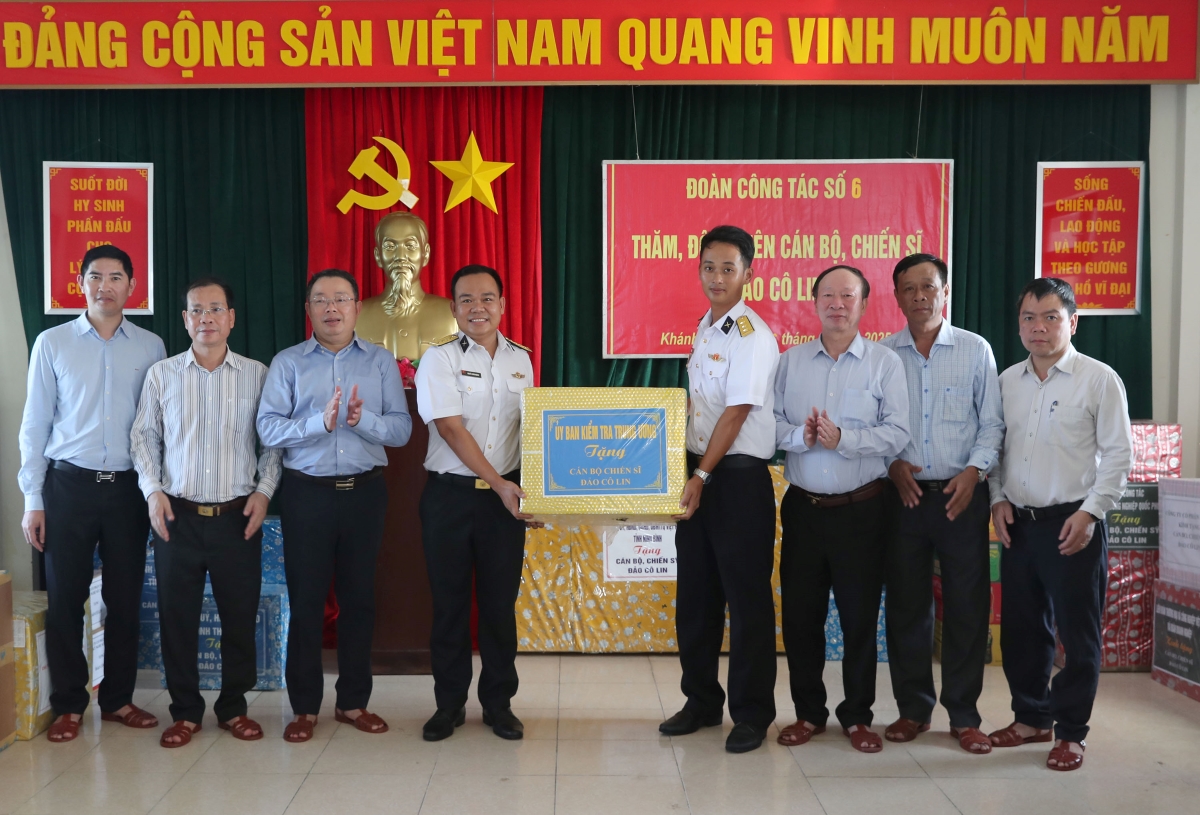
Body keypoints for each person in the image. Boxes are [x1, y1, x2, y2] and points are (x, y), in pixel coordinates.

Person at [257, 268, 412, 743]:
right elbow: (267, 428)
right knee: (306, 602)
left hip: (365, 494)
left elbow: (401, 430)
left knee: (359, 600)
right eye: (321, 300)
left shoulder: (380, 361)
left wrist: (363, 422)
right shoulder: (287, 363)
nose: (331, 308)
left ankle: (352, 702)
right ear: (308, 310)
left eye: (341, 299)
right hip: (307, 494)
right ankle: (304, 707)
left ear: (357, 307)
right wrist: (318, 424)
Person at [18, 244, 165, 743]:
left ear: (132, 286)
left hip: (127, 490)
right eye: (96, 276)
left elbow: (157, 427)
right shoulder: (52, 343)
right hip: (67, 487)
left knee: (125, 599)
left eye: (116, 277)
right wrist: (33, 499)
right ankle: (68, 705)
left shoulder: (151, 347)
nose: (106, 286)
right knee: (65, 600)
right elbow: (34, 425)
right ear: (80, 283)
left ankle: (118, 699)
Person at [988, 278, 1132, 772]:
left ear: (1073, 323)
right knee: (1023, 629)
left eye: (1051, 317)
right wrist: (997, 499)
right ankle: (1031, 719)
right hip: (1019, 524)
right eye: (1029, 318)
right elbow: (997, 450)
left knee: (1077, 633)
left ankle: (1071, 732)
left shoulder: (1098, 379)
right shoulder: (1007, 381)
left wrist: (1091, 512)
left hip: (1075, 524)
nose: (1039, 328)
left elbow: (1119, 456)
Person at [131, 278, 280, 748]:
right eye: (197, 310)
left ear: (231, 318)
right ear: (185, 319)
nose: (206, 318)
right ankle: (185, 712)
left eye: (216, 309)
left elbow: (272, 443)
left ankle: (234, 708)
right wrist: (153, 492)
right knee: (177, 619)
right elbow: (143, 437)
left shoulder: (258, 374)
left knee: (239, 616)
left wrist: (265, 491)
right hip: (177, 517)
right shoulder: (163, 375)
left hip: (239, 517)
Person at [773, 265, 909, 754]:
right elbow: (768, 425)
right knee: (801, 618)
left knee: (859, 618)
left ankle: (857, 716)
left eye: (847, 296)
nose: (837, 303)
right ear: (813, 302)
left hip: (862, 512)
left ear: (864, 304)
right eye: (828, 295)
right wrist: (800, 436)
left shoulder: (883, 363)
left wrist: (844, 440)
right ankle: (808, 713)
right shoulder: (789, 362)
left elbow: (898, 432)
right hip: (804, 510)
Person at [661, 225, 780, 754]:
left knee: (747, 600)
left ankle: (751, 714)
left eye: (728, 268)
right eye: (709, 267)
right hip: (700, 475)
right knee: (697, 596)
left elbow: (736, 412)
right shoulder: (706, 329)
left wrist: (702, 475)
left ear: (748, 274)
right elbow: (701, 407)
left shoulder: (751, 334)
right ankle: (701, 702)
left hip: (735, 480)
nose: (717, 277)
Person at [879, 254, 1004, 754]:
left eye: (928, 286)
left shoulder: (975, 350)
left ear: (945, 292)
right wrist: (891, 464)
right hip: (903, 497)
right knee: (907, 606)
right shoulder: (883, 355)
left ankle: (964, 715)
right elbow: (872, 425)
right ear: (896, 297)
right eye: (908, 288)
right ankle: (913, 709)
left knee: (967, 606)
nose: (919, 296)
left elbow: (992, 424)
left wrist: (975, 473)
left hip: (962, 496)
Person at [414, 264, 536, 742]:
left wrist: (535, 491)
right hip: (450, 498)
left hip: (503, 504)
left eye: (487, 298)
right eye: (466, 299)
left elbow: (531, 432)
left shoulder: (521, 360)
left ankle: (499, 705)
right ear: (453, 308)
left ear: (503, 305)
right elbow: (450, 428)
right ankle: (448, 706)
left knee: (499, 608)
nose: (477, 307)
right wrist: (499, 483)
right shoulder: (438, 358)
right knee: (449, 607)